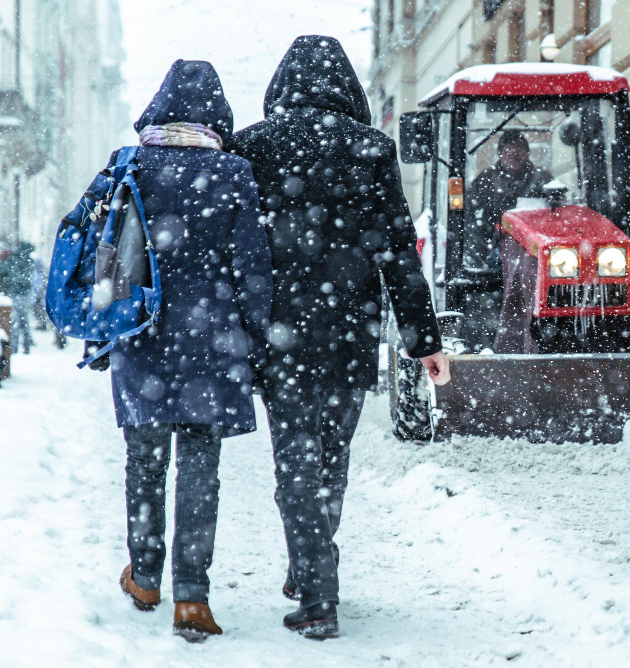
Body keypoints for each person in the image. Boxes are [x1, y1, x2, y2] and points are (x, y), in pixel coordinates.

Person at [230, 35, 449, 639]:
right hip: (350, 334)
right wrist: (422, 338)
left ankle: (314, 582)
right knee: (332, 455)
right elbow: (399, 252)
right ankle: (315, 565)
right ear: (347, 87)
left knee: (294, 458)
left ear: (282, 86)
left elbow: (234, 250)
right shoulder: (371, 149)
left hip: (279, 336)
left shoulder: (250, 147)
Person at [85, 60, 272, 642]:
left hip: (140, 337)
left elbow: (104, 253)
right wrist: (256, 336)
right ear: (216, 113)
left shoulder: (131, 166)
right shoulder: (233, 172)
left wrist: (103, 324)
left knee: (143, 461)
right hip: (212, 347)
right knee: (200, 470)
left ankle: (144, 576)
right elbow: (253, 270)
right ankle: (191, 597)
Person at [463, 131, 552, 349]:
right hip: (494, 253)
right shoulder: (486, 181)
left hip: (536, 253)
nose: (514, 155)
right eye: (509, 150)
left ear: (527, 153)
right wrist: (486, 246)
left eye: (519, 150)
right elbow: (468, 220)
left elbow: (557, 217)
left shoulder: (543, 180)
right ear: (501, 153)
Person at [0, 241, 36, 354]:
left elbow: (0, 269)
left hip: (13, 294)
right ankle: (26, 346)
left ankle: (14, 348)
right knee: (24, 321)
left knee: (15, 322)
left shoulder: (14, 259)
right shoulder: (30, 261)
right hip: (25, 294)